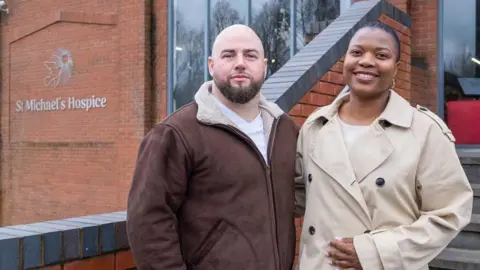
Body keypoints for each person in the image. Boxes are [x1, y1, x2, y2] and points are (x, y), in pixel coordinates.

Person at [294, 21, 473, 270]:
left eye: (381, 55)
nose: (366, 61)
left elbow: (450, 212)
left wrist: (375, 252)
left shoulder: (424, 130)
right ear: (344, 60)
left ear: (396, 68)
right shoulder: (315, 126)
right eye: (357, 52)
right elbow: (295, 196)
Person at [127, 24, 299, 270]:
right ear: (211, 65)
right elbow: (148, 220)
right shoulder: (176, 133)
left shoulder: (285, 129)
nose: (240, 63)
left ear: (264, 65)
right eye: (228, 55)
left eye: (250, 55)